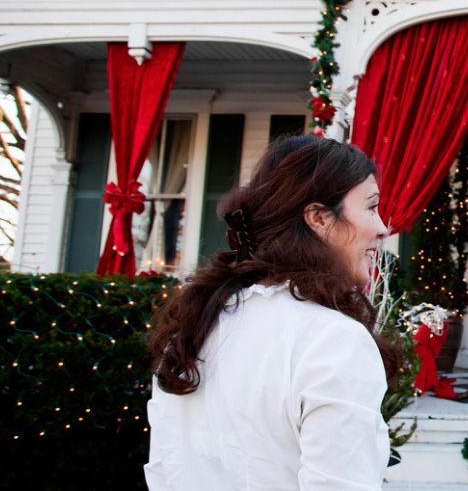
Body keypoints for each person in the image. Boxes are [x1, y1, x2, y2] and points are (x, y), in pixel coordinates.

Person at [144, 134, 400, 490]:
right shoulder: (333, 340)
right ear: (319, 218)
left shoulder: (193, 329)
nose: (383, 227)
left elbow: (165, 470)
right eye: (371, 207)